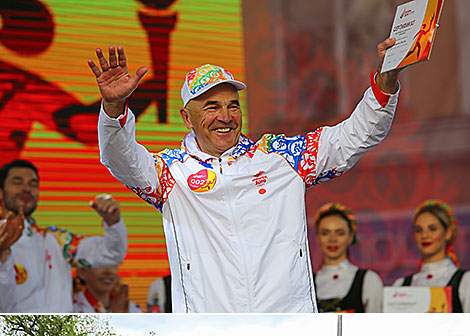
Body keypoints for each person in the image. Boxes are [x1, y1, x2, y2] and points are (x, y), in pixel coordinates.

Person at [88, 39, 401, 313]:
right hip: (211, 327)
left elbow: (352, 138)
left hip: (287, 323)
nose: (225, 117)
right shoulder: (170, 173)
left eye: (232, 106)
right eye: (211, 107)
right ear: (187, 117)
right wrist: (114, 107)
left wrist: (385, 82)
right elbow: (121, 159)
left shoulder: (281, 158)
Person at [0, 161, 128, 312]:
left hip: (61, 334)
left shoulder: (58, 241)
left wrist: (113, 223)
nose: (27, 189)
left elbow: (111, 254)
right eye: (17, 182)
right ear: (1, 192)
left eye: (33, 184)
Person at [393, 201, 470, 312]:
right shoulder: (401, 285)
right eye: (419, 230)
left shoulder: (465, 282)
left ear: (448, 233)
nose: (424, 235)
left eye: (432, 229)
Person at [313, 203, 383, 312]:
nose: (332, 239)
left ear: (350, 237)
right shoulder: (307, 285)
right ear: (317, 237)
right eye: (325, 233)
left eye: (339, 233)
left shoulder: (368, 280)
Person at [73, 263, 142, 313]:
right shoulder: (70, 309)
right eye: (100, 265)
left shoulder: (133, 310)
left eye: (113, 265)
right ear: (82, 272)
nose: (108, 271)